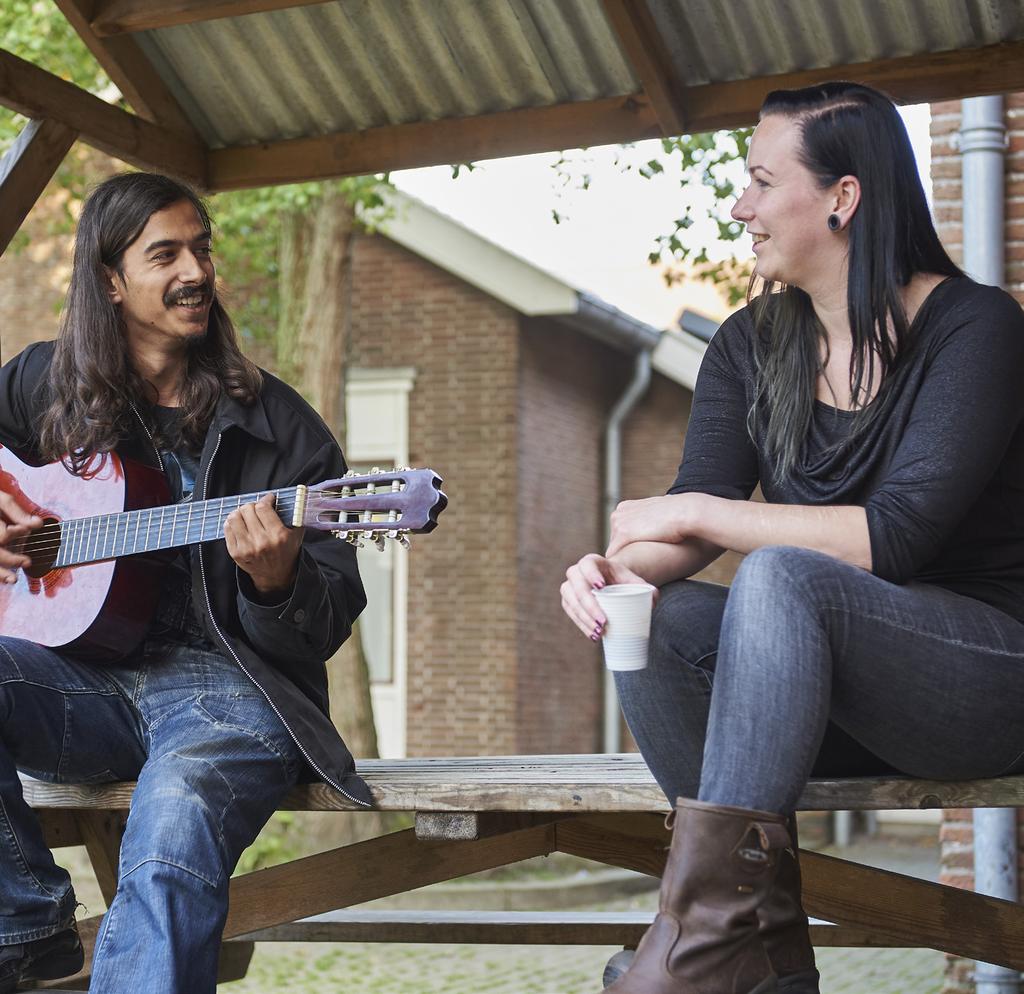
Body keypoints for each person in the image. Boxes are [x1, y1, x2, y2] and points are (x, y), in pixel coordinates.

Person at [561, 81, 1024, 994]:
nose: (741, 206)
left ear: (842, 198)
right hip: (826, 704)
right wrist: (615, 571)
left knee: (783, 576)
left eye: (761, 182)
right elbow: (695, 508)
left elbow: (895, 537)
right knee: (648, 614)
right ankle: (749, 948)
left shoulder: (977, 328)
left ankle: (694, 939)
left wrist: (688, 516)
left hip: (983, 679)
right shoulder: (749, 345)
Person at [0, 173, 370, 993]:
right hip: (80, 680)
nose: (195, 271)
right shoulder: (39, 386)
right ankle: (23, 926)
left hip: (230, 690)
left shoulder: (280, 427)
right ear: (109, 280)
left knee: (172, 834)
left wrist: (277, 586)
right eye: (164, 253)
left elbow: (330, 612)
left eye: (200, 249)